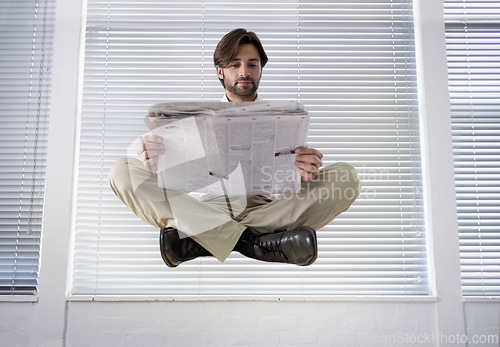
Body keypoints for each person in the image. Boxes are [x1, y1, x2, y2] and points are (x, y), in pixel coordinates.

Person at [108, 28, 360, 268]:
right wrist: (151, 163)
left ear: (261, 69)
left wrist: (306, 172)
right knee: (121, 170)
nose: (244, 72)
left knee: (346, 177)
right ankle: (252, 243)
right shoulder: (192, 120)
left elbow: (292, 179)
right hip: (208, 207)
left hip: (267, 210)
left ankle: (205, 239)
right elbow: (162, 176)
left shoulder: (284, 120)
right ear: (220, 71)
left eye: (252, 64)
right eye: (234, 64)